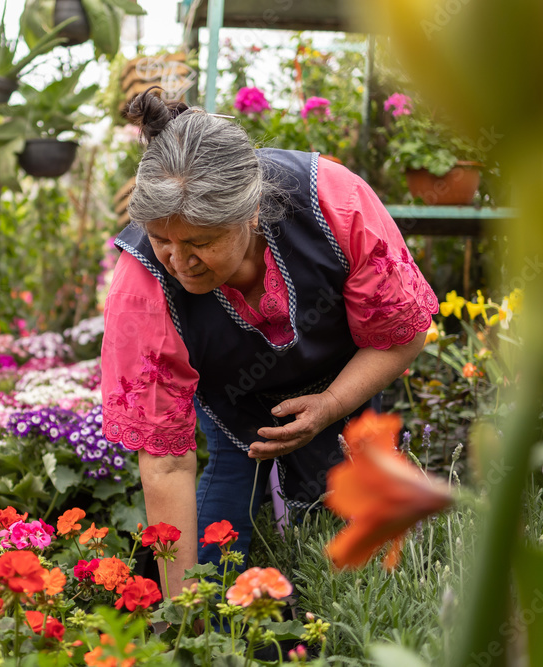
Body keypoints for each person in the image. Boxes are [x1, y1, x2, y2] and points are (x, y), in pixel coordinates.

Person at [100, 89, 438, 600]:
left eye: (200, 243)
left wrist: (331, 406)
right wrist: (183, 612)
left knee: (359, 548)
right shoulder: (143, 282)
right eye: (162, 239)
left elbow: (404, 334)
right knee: (217, 550)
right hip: (239, 411)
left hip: (347, 380)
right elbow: (166, 461)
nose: (178, 260)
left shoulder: (334, 201)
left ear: (252, 213)